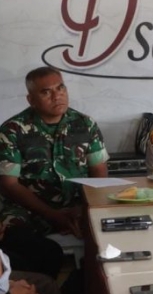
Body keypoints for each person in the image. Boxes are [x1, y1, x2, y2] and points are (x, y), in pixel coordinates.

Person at [0, 66, 108, 279]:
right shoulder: (12, 130)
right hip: (28, 209)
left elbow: (99, 171)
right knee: (16, 237)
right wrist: (53, 215)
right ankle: (33, 285)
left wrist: (84, 208)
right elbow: (9, 184)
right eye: (46, 92)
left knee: (112, 232)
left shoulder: (85, 124)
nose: (57, 96)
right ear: (31, 99)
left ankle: (85, 283)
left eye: (60, 88)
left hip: (76, 205)